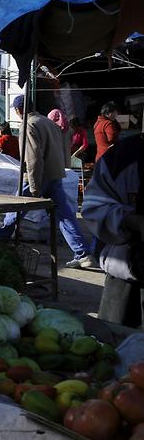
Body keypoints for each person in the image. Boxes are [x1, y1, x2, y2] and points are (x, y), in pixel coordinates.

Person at [0, 95, 91, 268]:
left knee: (14, 211)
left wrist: (35, 187)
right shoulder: (48, 122)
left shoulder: (28, 125)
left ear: (18, 110)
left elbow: (33, 158)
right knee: (65, 216)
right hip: (54, 175)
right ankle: (83, 253)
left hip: (38, 177)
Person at [82, 134, 144, 327]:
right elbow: (93, 208)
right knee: (115, 346)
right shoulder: (125, 156)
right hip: (126, 276)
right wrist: (132, 221)